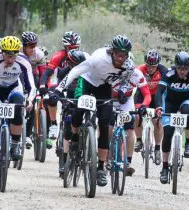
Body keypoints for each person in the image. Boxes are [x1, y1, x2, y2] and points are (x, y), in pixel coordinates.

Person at [49, 35, 134, 188]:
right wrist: (59, 89)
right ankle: (74, 139)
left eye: (124, 55)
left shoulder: (128, 65)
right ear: (112, 52)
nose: (121, 58)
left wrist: (122, 90)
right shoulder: (99, 58)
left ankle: (100, 167)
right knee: (78, 110)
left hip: (104, 87)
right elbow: (76, 71)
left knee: (104, 123)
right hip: (87, 81)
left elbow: (126, 81)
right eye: (118, 54)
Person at [0, 36, 36, 173]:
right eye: (7, 56)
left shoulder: (24, 61)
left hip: (13, 88)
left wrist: (30, 100)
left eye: (13, 56)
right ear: (2, 52)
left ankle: (15, 144)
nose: (10, 60)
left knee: (18, 106)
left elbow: (31, 85)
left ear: (17, 53)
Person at [155, 51, 189, 184]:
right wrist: (159, 107)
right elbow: (159, 92)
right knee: (168, 133)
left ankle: (188, 143)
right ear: (176, 67)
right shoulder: (169, 74)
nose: (182, 72)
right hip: (170, 103)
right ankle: (164, 168)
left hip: (186, 101)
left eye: (185, 69)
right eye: (180, 68)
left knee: (187, 111)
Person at [38, 31, 81, 147]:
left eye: (75, 48)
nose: (73, 50)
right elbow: (47, 73)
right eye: (70, 48)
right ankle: (53, 124)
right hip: (59, 83)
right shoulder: (59, 56)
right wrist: (42, 86)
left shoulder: (82, 56)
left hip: (76, 84)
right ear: (65, 47)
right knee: (51, 98)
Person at [111, 62, 151, 177]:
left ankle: (127, 161)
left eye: (130, 72)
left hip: (127, 100)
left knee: (129, 127)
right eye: (125, 71)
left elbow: (147, 95)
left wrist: (143, 106)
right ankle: (105, 157)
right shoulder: (112, 72)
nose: (128, 74)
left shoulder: (137, 74)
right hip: (111, 97)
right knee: (106, 123)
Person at [134, 49, 168, 159]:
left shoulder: (163, 71)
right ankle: (139, 140)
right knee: (137, 116)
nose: (151, 68)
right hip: (142, 95)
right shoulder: (139, 69)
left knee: (156, 120)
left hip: (155, 97)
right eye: (148, 65)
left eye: (154, 66)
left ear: (158, 65)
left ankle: (158, 147)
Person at [20, 31, 49, 148]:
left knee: (32, 103)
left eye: (34, 45)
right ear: (24, 45)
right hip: (20, 76)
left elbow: (43, 74)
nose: (33, 48)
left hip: (33, 77)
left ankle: (27, 134)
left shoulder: (39, 54)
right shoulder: (18, 52)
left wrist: (42, 88)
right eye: (30, 46)